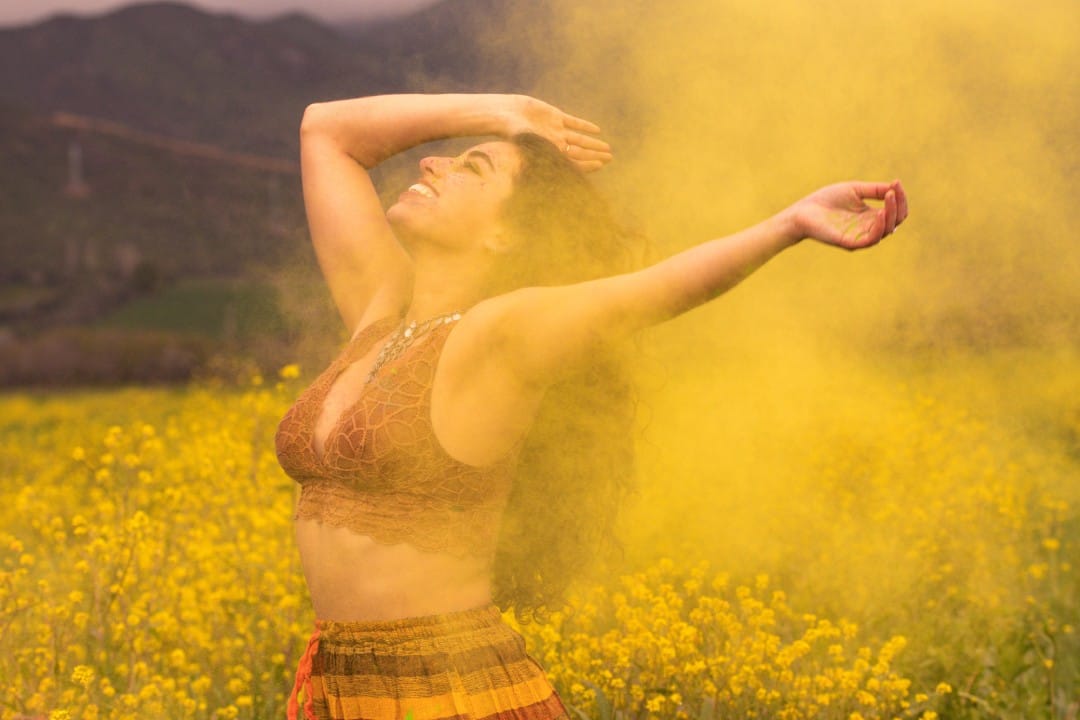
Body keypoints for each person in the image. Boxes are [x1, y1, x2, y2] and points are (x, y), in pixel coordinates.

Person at [275, 93, 908, 720]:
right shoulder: (377, 309)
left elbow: (655, 291)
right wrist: (504, 113)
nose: (429, 166)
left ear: (507, 233)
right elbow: (325, 130)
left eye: (472, 167)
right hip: (337, 694)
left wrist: (787, 225)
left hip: (456, 698)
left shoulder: (502, 335)